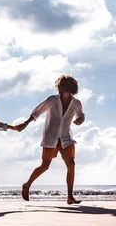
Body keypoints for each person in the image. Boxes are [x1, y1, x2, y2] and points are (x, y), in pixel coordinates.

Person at [17, 75, 85, 205]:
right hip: (51, 137)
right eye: (60, 87)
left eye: (63, 87)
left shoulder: (76, 103)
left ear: (70, 88)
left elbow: (80, 115)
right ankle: (27, 185)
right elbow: (37, 112)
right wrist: (25, 123)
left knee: (71, 164)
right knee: (45, 166)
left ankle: (70, 197)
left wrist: (80, 120)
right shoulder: (52, 100)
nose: (61, 89)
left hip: (66, 138)